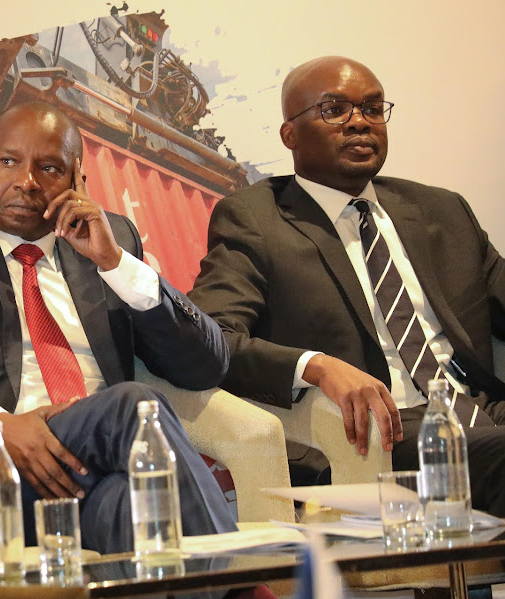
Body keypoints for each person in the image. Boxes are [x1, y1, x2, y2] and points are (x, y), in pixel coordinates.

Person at [0, 100, 237, 553]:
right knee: (136, 407)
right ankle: (248, 582)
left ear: (78, 180)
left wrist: (115, 263)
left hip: (96, 474)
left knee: (137, 508)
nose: (26, 181)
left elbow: (205, 367)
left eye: (50, 168)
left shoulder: (108, 238)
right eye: (8, 161)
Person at [190, 56, 505, 514]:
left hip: (484, 412)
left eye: (373, 109)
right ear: (289, 135)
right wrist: (316, 366)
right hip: (380, 433)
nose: (360, 123)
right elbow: (214, 339)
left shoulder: (442, 210)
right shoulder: (255, 219)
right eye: (335, 110)